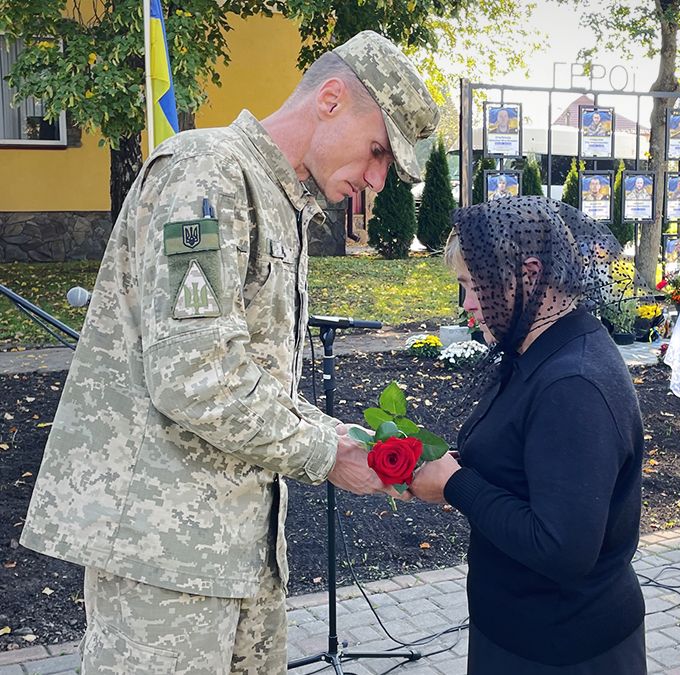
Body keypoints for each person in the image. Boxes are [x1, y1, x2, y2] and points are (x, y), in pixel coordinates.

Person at [19, 31, 437, 674]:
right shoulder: (206, 173)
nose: (377, 180)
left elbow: (249, 373)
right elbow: (195, 374)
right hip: (165, 557)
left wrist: (341, 436)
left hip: (239, 550)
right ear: (330, 100)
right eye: (379, 150)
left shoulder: (277, 196)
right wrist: (326, 454)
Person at [407, 197, 647, 673]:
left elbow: (563, 549)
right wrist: (442, 466)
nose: (467, 304)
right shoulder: (535, 351)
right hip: (522, 633)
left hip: (564, 651)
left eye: (474, 284)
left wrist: (455, 485)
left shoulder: (573, 383)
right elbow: (525, 463)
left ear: (530, 275)